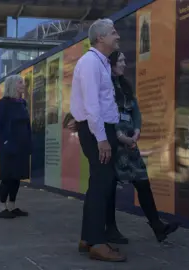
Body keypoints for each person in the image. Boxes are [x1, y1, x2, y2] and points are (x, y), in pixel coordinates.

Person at [107, 50, 179, 243]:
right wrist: (119, 135)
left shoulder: (126, 86)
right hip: (114, 143)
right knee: (109, 186)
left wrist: (137, 131)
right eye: (120, 60)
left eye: (124, 60)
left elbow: (136, 112)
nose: (124, 64)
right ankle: (110, 229)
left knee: (142, 181)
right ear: (112, 63)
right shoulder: (105, 85)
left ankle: (157, 225)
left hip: (130, 144)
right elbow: (105, 112)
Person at [70, 18, 126, 262]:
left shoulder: (98, 62)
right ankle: (97, 243)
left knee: (98, 184)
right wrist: (102, 139)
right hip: (97, 131)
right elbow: (93, 106)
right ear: (100, 38)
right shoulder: (91, 63)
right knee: (102, 186)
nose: (118, 37)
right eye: (113, 33)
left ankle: (87, 238)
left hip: (100, 129)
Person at [0, 75, 32, 219]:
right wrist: (5, 143)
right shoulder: (4, 103)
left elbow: (26, 125)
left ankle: (12, 205)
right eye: (20, 82)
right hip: (9, 147)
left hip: (22, 147)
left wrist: (29, 143)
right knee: (7, 177)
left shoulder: (23, 103)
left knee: (17, 177)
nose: (23, 84)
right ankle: (2, 207)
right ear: (12, 85)